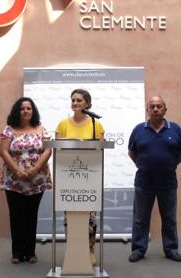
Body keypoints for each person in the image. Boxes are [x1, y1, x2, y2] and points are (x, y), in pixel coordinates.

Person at [127, 96, 181, 263]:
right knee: (140, 219)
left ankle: (171, 249)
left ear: (165, 109)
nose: (155, 109)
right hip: (143, 183)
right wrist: (143, 165)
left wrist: (171, 165)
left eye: (159, 106)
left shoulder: (175, 129)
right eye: (152, 106)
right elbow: (132, 152)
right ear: (147, 110)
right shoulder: (139, 129)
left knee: (169, 218)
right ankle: (138, 249)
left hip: (168, 183)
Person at [0, 97, 52, 264]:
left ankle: (30, 252)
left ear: (33, 111)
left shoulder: (41, 129)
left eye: (29, 108)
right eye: (22, 109)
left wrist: (34, 170)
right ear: (17, 111)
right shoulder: (9, 130)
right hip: (13, 179)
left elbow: (48, 150)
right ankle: (17, 253)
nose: (26, 111)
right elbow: (3, 152)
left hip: (37, 179)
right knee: (16, 215)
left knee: (31, 215)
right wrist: (17, 170)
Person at [55, 88, 105, 265]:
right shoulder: (62, 124)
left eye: (79, 100)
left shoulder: (95, 124)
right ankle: (72, 251)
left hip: (89, 178)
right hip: (68, 178)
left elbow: (100, 148)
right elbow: (58, 149)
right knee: (70, 217)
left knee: (89, 218)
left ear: (87, 104)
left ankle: (90, 251)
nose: (75, 103)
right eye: (73, 100)